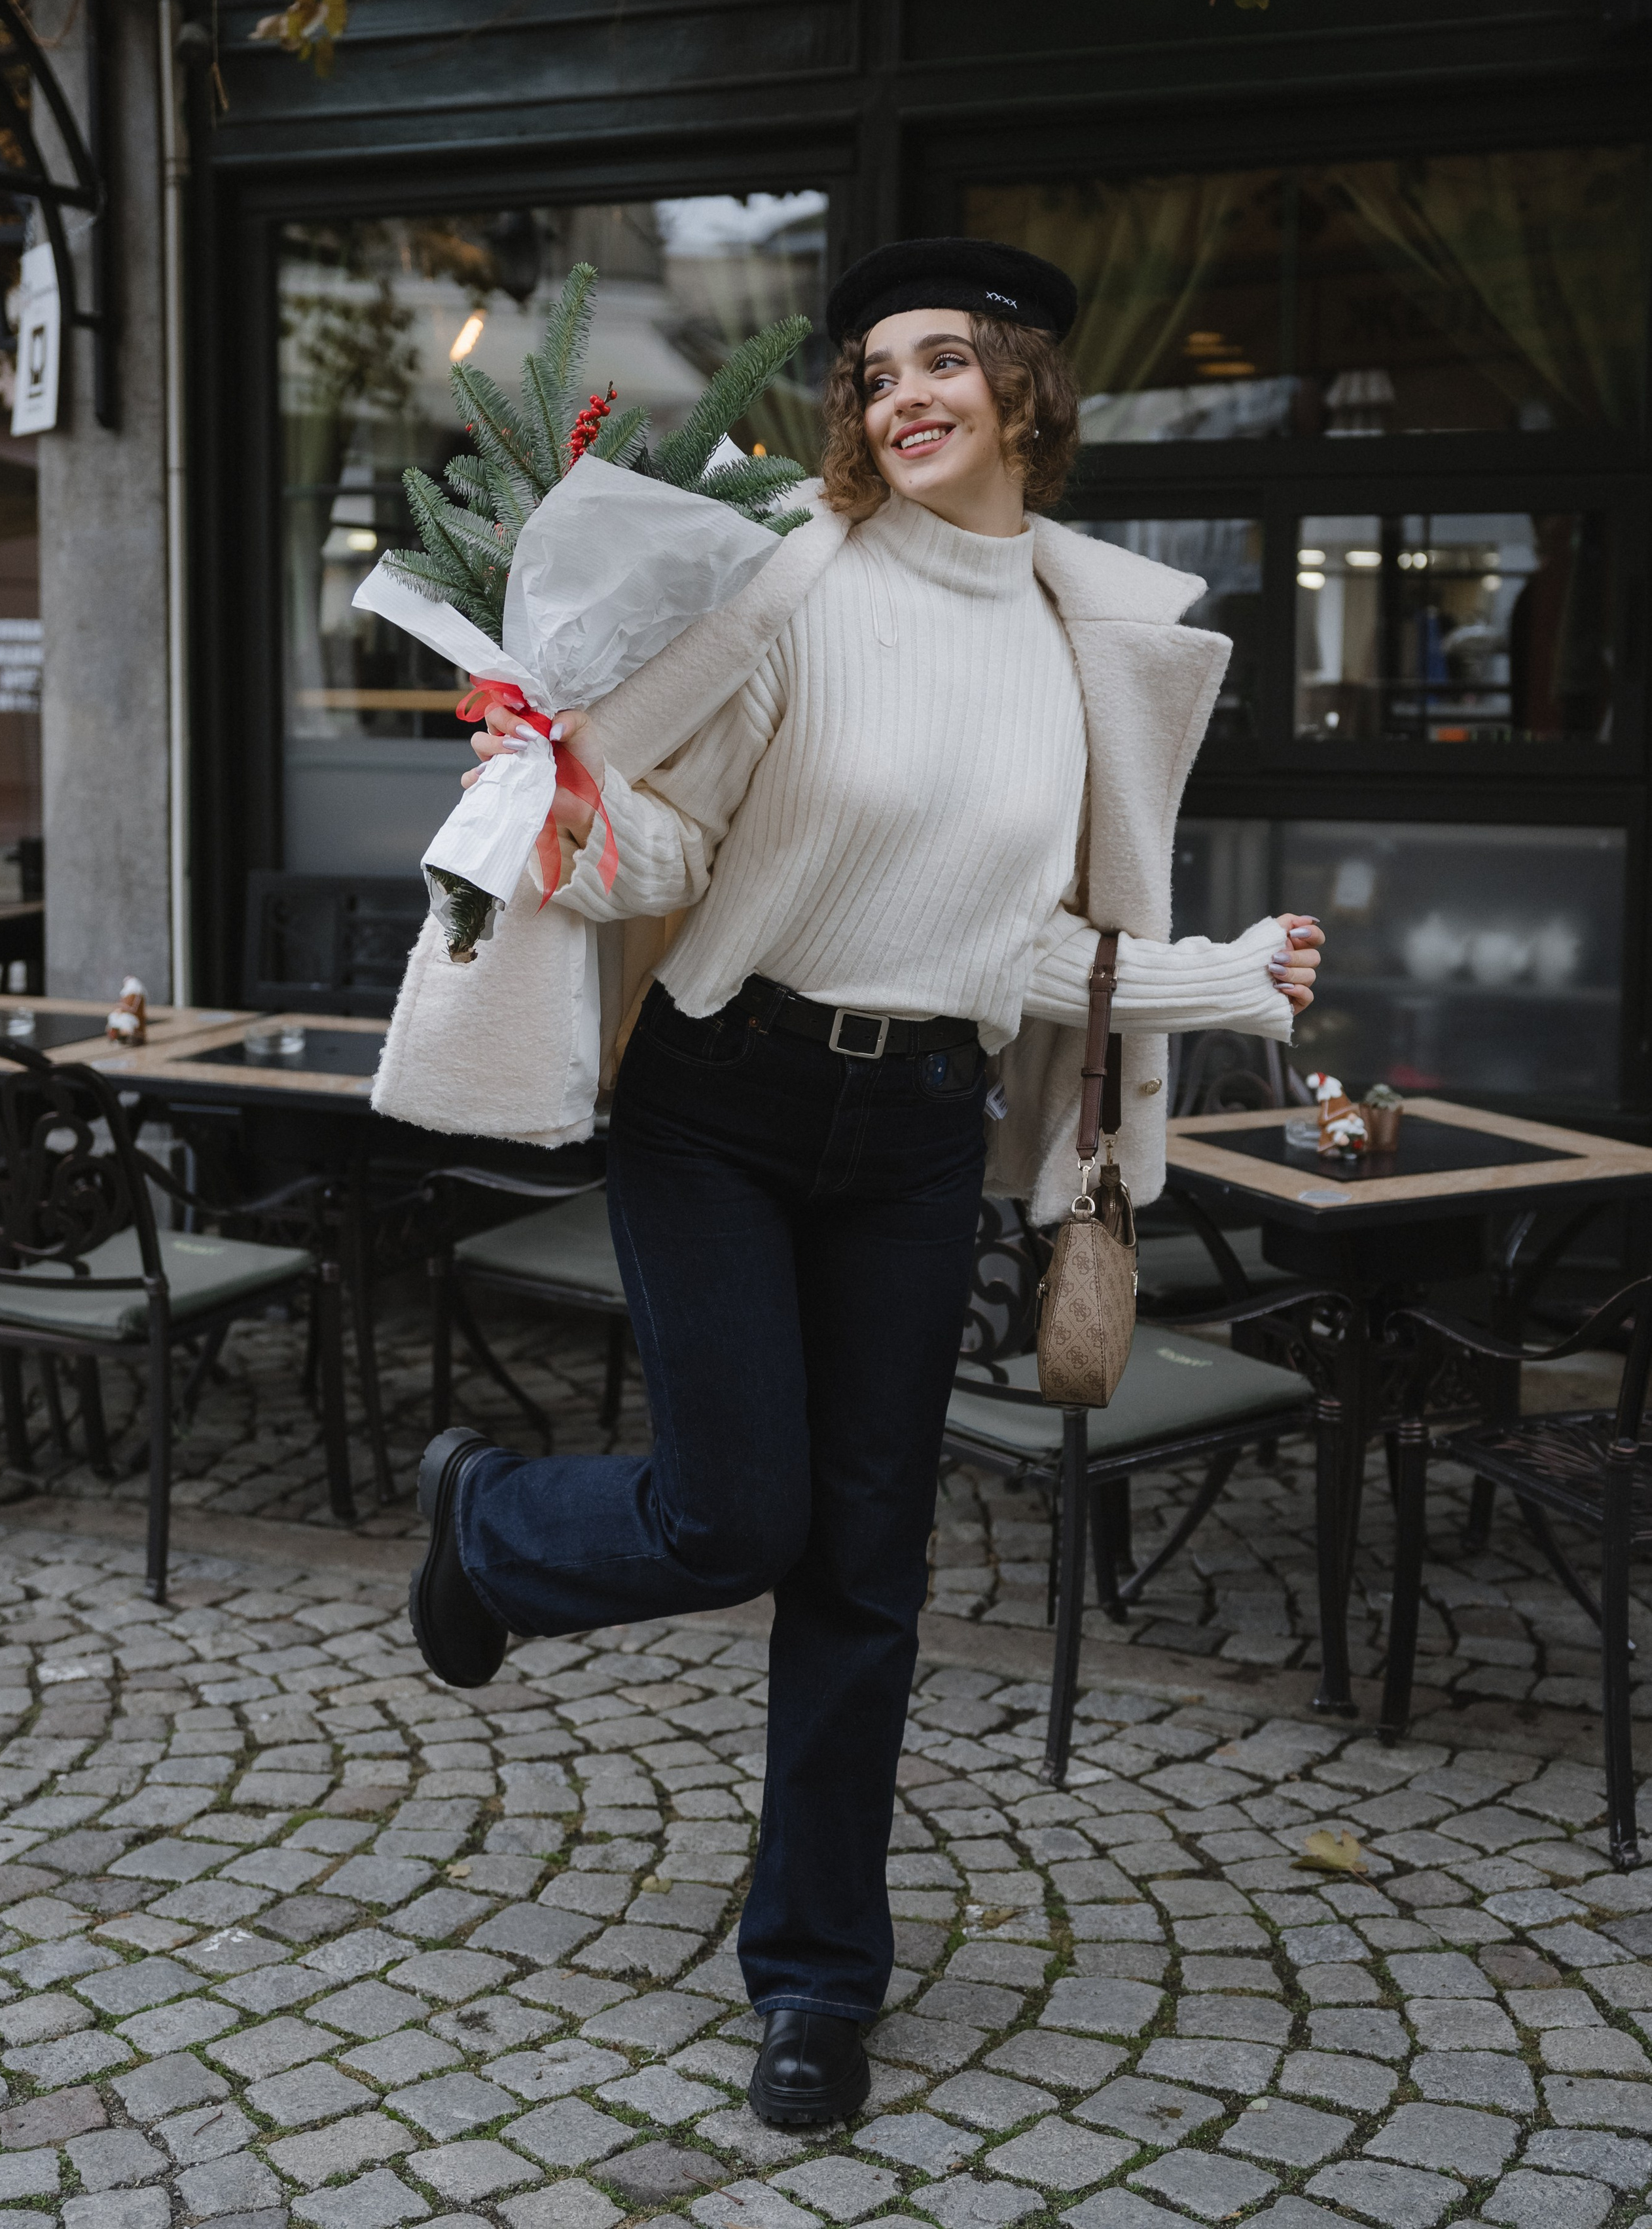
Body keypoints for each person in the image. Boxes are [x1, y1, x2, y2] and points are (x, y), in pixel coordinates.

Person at [404, 237, 1322, 2130]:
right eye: (876, 373)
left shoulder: (1077, 646)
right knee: (731, 1516)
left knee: (865, 1571)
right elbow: (677, 834)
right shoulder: (796, 589)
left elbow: (1017, 944)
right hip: (723, 1102)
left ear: (1023, 388)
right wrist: (558, 801)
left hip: (916, 1130)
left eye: (942, 361)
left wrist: (1225, 979)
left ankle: (817, 1979)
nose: (902, 394)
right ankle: (488, 1524)